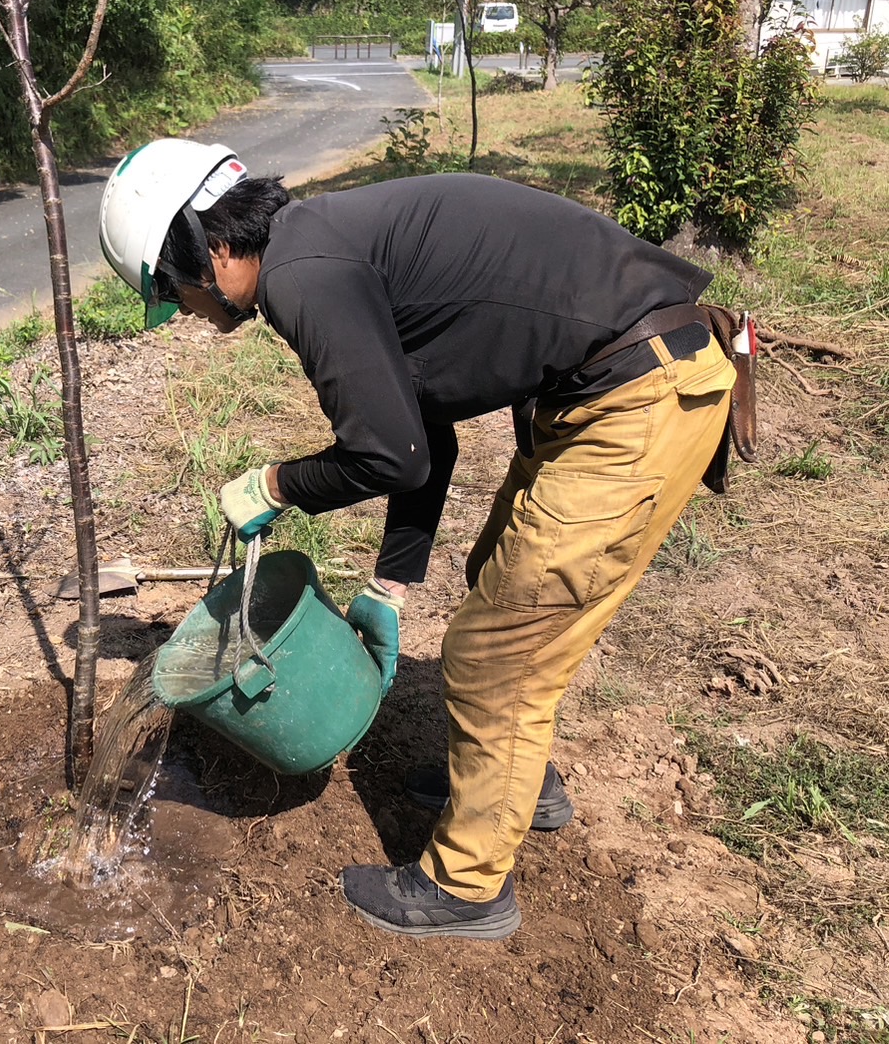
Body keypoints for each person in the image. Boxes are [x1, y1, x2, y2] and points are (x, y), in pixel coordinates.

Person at [98, 138, 736, 941]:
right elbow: (423, 436)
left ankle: (466, 890)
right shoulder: (322, 242)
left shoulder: (303, 275)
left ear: (212, 248)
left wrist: (274, 484)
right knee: (503, 585)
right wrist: (388, 585)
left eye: (170, 290)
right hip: (617, 381)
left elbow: (386, 455)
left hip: (638, 395)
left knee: (498, 650)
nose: (185, 312)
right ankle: (515, 785)